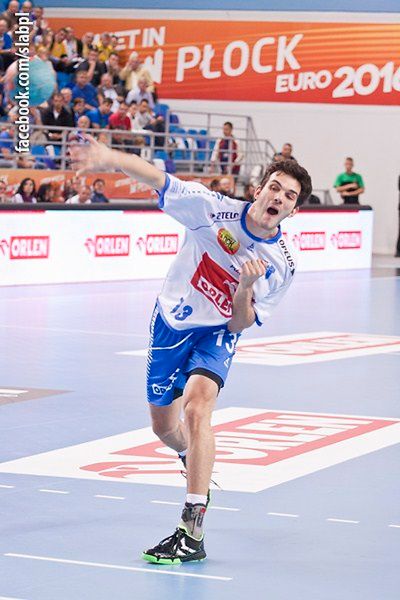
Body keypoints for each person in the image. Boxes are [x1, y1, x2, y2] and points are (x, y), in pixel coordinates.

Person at [71, 135, 312, 565]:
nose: (279, 197)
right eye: (275, 187)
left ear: (293, 211)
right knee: (164, 428)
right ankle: (190, 454)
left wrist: (245, 286)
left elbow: (240, 323)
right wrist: (109, 157)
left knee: (198, 410)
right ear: (258, 189)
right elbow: (158, 179)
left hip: (216, 333)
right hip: (171, 320)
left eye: (289, 196)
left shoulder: (282, 265)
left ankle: (192, 529)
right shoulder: (212, 209)